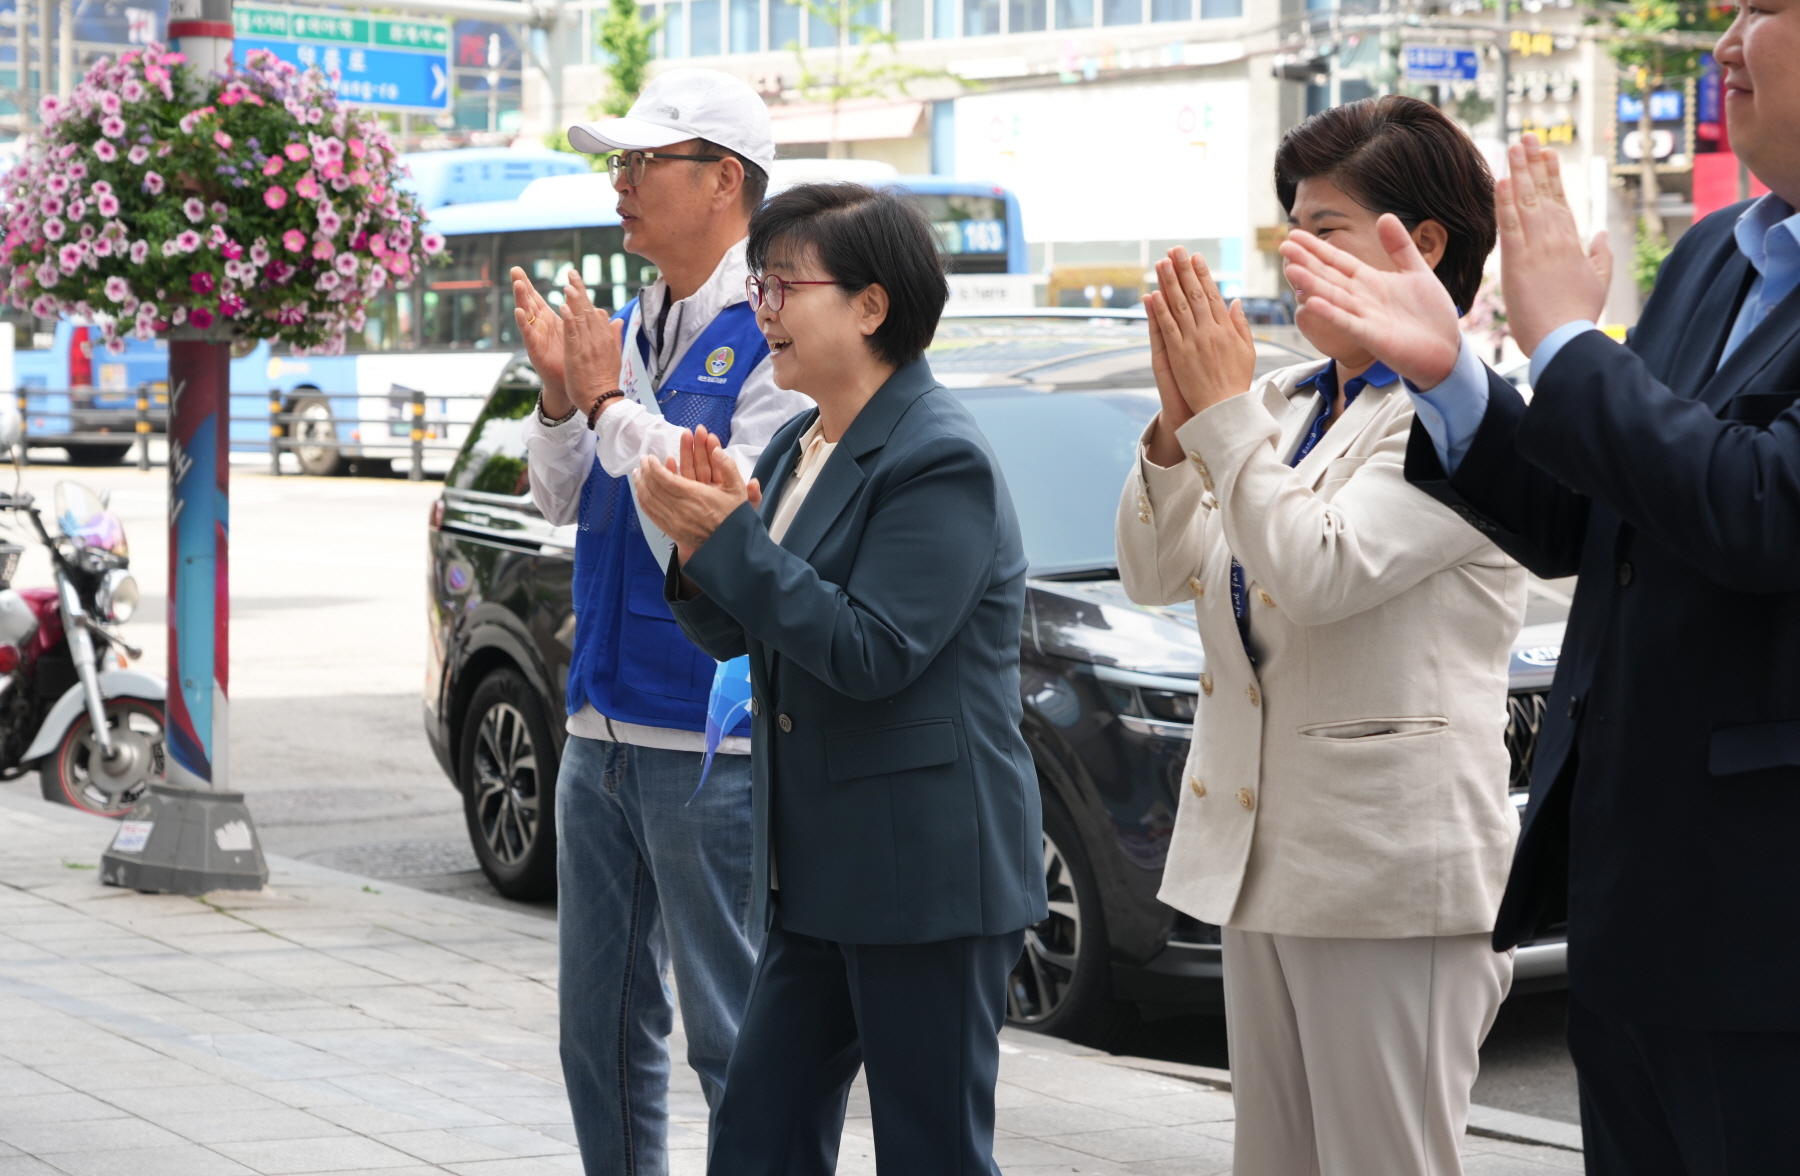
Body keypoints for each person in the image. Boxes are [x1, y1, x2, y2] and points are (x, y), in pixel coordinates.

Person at [1278, 0, 1800, 1170]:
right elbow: (1590, 519)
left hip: (1771, 928)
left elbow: (1763, 509)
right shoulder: (1722, 250)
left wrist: (1568, 340)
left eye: (1762, 1)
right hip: (1638, 905)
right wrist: (1456, 378)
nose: (1725, 39)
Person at [1116, 96, 1525, 1176]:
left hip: (1390, 875)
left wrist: (1220, 421)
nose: (1296, 256)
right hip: (1265, 857)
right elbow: (1155, 570)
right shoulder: (1289, 402)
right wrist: (1174, 424)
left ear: (1419, 243)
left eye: (1324, 228)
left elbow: (1322, 569)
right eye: (1289, 229)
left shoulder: (1464, 419)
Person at [628, 181, 1046, 1176]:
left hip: (925, 876)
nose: (762, 307)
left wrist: (730, 541)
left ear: (871, 306)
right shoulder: (798, 440)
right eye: (758, 285)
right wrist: (697, 550)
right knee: (758, 1138)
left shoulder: (939, 458)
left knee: (930, 1151)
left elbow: (871, 651)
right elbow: (747, 627)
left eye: (783, 285)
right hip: (820, 875)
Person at [513, 69, 810, 1176]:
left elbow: (725, 507)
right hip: (598, 726)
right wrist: (560, 399)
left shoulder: (773, 318)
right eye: (618, 164)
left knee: (731, 1033)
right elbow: (558, 497)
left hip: (711, 740)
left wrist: (604, 405)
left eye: (645, 163)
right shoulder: (626, 322)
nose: (621, 184)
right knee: (597, 1032)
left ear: (724, 180)